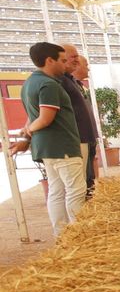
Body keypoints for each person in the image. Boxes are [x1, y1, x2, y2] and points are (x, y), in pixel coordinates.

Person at [10, 42, 85, 234]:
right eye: (62, 61)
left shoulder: (30, 83)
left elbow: (34, 117)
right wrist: (27, 131)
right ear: (49, 61)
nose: (64, 65)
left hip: (47, 147)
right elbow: (45, 118)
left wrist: (27, 134)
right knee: (75, 191)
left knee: (56, 191)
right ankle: (79, 233)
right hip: (62, 145)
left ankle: (61, 233)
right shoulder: (48, 84)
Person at [60, 44, 99, 198]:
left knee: (87, 174)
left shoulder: (76, 85)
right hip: (78, 139)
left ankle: (89, 192)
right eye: (74, 57)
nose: (88, 69)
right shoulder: (61, 83)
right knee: (77, 183)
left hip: (86, 137)